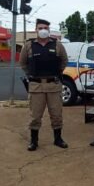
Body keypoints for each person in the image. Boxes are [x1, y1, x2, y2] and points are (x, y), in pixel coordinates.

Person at [19, 18, 68, 151]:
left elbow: (64, 61)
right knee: (35, 116)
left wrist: (57, 73)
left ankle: (58, 139)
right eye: (40, 28)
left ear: (49, 30)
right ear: (36, 29)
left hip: (53, 85)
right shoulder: (28, 45)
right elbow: (22, 63)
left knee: (57, 114)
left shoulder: (57, 45)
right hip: (36, 86)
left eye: (45, 28)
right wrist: (31, 74)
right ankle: (34, 141)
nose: (43, 30)